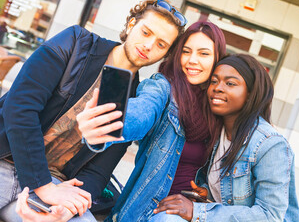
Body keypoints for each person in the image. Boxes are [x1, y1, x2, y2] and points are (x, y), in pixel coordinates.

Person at [0, 0, 186, 221]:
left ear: (165, 54)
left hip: (59, 184)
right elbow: (20, 108)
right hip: (8, 160)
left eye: (161, 44)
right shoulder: (76, 43)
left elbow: (98, 173)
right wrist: (44, 186)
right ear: (131, 25)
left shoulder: (134, 101)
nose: (148, 46)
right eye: (146, 33)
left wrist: (68, 209)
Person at [76, 20, 226, 221]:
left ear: (218, 58)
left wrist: (204, 191)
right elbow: (144, 110)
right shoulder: (163, 87)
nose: (192, 60)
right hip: (150, 212)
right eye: (186, 51)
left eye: (204, 54)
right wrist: (108, 123)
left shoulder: (217, 106)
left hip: (197, 213)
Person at [152, 54, 299, 221]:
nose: (218, 88)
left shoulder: (270, 145)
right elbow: (232, 195)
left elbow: (270, 216)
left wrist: (198, 211)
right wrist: (207, 194)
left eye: (230, 83)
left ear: (250, 94)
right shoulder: (217, 132)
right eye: (214, 81)